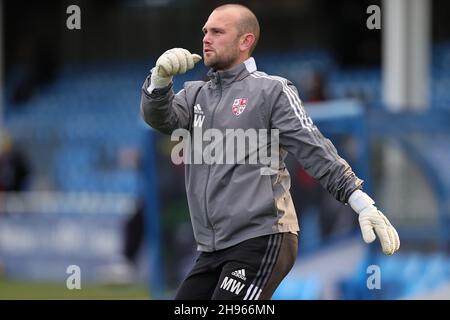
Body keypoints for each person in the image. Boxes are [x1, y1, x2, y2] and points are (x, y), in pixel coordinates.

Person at [140, 4, 400, 300]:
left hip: (261, 237)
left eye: (217, 31)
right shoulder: (195, 94)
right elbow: (159, 119)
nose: (206, 38)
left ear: (245, 41)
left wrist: (359, 199)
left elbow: (312, 146)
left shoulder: (271, 91)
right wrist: (159, 80)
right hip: (212, 248)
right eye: (205, 31)